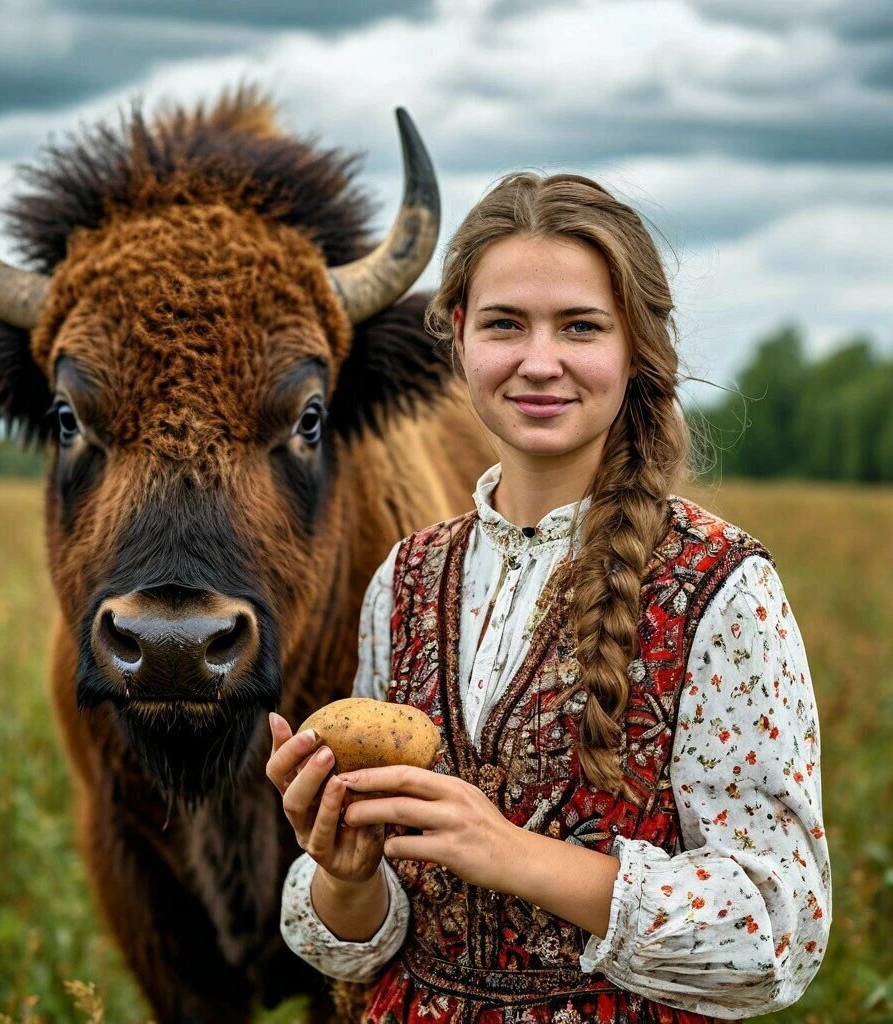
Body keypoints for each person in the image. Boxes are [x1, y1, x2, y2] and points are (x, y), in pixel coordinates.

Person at [265, 172, 831, 1023]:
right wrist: (348, 875)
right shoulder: (406, 580)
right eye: (503, 324)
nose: (538, 361)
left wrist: (509, 854)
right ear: (458, 338)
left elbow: (775, 936)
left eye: (580, 327)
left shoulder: (723, 587)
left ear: (635, 346)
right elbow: (368, 933)